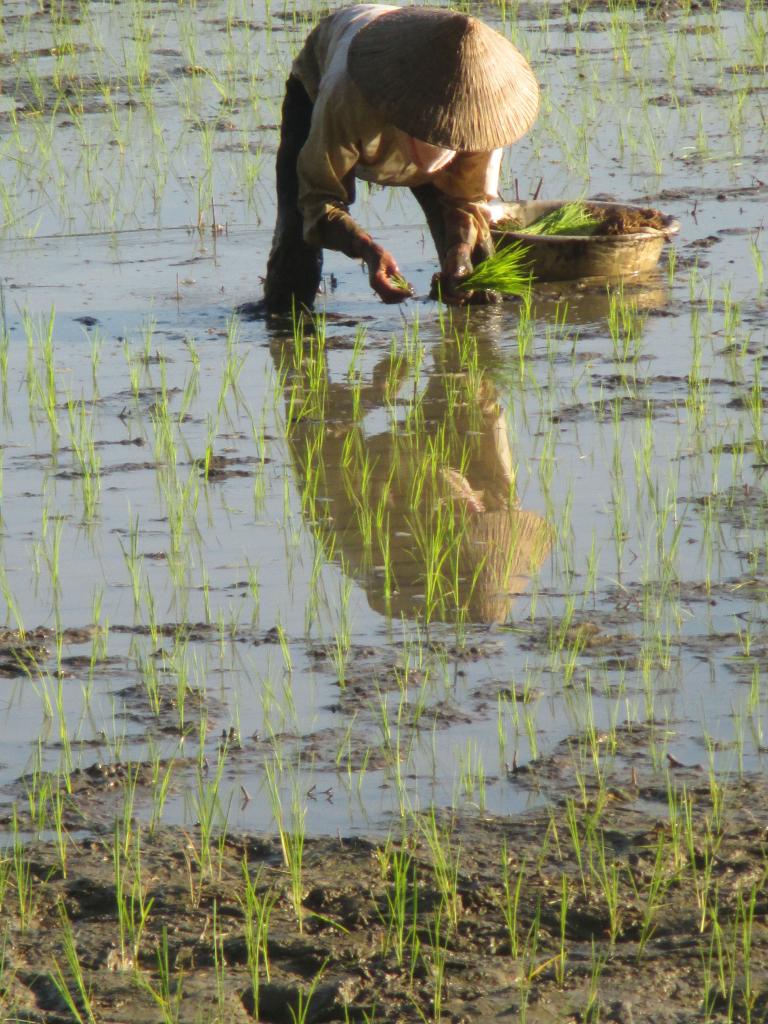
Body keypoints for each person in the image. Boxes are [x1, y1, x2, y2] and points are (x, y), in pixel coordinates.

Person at [260, 4, 539, 313]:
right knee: (296, 252)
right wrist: (367, 250)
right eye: (432, 128)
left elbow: (468, 201)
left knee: (476, 273)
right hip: (333, 78)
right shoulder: (349, 96)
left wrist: (458, 249)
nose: (442, 134)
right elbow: (317, 199)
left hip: (424, 71)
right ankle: (284, 330)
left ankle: (473, 346)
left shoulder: (485, 115)